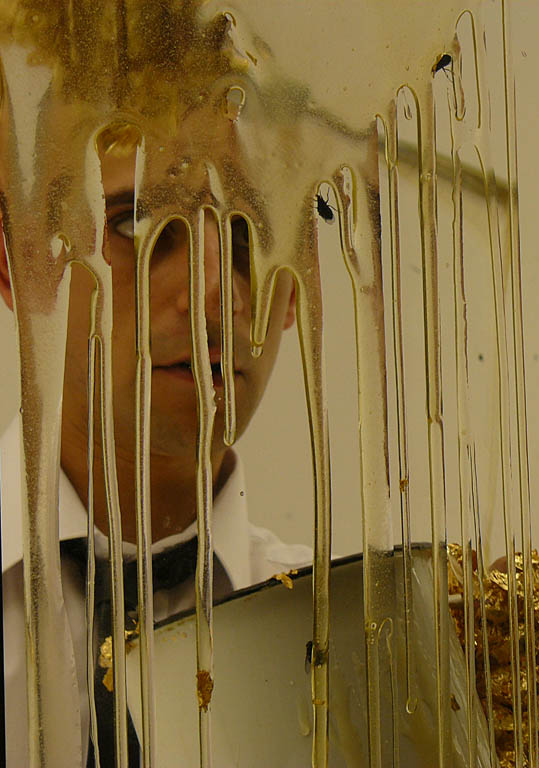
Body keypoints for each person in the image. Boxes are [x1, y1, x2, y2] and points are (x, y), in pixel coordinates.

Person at [0, 126, 313, 765]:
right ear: (19, 264)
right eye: (135, 224)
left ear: (299, 282)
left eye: (252, 232)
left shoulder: (351, 640)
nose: (214, 295)